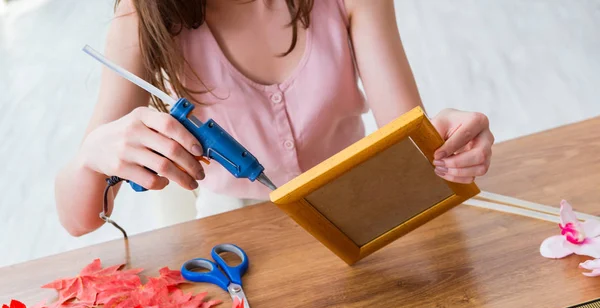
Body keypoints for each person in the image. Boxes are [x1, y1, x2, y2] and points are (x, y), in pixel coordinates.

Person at [55, 0, 494, 237]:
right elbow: (80, 221)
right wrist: (92, 156)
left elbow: (411, 148)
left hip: (355, 207)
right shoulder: (140, 17)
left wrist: (446, 143)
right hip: (235, 233)